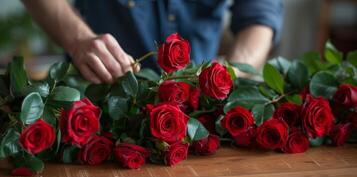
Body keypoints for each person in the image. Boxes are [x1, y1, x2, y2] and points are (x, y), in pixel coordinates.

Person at [22, 0, 283, 84]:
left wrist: (230, 75)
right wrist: (79, 40)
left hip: (196, 118)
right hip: (96, 95)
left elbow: (260, 12)